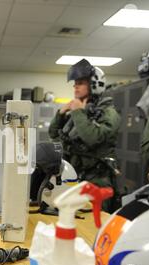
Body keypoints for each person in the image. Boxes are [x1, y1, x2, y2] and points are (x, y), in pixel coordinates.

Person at [48, 59, 121, 212]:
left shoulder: (109, 113)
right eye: (75, 83)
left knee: (94, 226)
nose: (75, 86)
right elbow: (54, 135)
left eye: (80, 82)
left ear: (95, 84)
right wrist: (60, 114)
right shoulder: (80, 111)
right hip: (76, 178)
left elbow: (92, 138)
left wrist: (77, 112)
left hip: (97, 180)